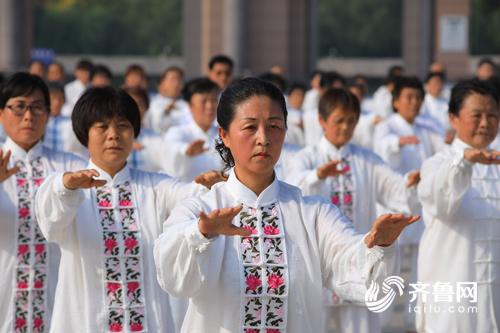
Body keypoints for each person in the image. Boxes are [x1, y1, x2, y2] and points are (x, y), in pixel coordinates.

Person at [153, 77, 419, 333]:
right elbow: (175, 279)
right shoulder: (198, 210)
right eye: (249, 127)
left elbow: (351, 263)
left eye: (274, 126)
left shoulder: (312, 213)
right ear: (224, 134)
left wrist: (379, 245)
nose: (263, 138)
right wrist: (202, 234)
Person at [34, 86, 210, 333]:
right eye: (102, 127)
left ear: (134, 132)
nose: (113, 135)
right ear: (85, 134)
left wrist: (216, 185)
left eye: (123, 126)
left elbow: (193, 195)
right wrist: (66, 186)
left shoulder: (154, 186)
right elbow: (51, 222)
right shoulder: (68, 186)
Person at [286, 88, 420, 333]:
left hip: (359, 259)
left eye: (351, 121)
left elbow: (394, 187)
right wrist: (316, 176)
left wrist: (410, 184)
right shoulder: (307, 157)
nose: (346, 127)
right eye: (339, 121)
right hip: (318, 262)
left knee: (359, 326)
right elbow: (292, 189)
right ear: (322, 121)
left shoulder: (366, 160)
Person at [0, 72, 86, 332]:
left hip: (56, 294)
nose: (28, 116)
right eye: (19, 107)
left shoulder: (69, 166)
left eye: (37, 107)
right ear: (2, 113)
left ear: (48, 114)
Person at [417, 79, 500, 332]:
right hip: (453, 298)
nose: (485, 123)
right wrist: (464, 163)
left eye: (493, 116)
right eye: (476, 115)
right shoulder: (437, 163)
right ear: (454, 118)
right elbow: (442, 201)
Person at [163, 78, 223, 181]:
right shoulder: (178, 132)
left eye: (213, 101)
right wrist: (186, 150)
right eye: (203, 101)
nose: (209, 106)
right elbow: (172, 147)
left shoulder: (224, 134)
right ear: (190, 106)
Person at [123, 86, 166, 173]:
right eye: (128, 104)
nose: (133, 109)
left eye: (138, 104)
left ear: (146, 108)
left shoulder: (156, 138)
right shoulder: (108, 137)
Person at [148, 66, 190, 134]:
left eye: (179, 79)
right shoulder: (152, 102)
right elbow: (157, 125)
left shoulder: (187, 104)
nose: (176, 84)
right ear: (161, 83)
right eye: (173, 79)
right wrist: (166, 111)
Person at [42, 82, 73, 152]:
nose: (57, 102)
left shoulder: (71, 123)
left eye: (60, 98)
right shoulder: (39, 121)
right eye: (53, 98)